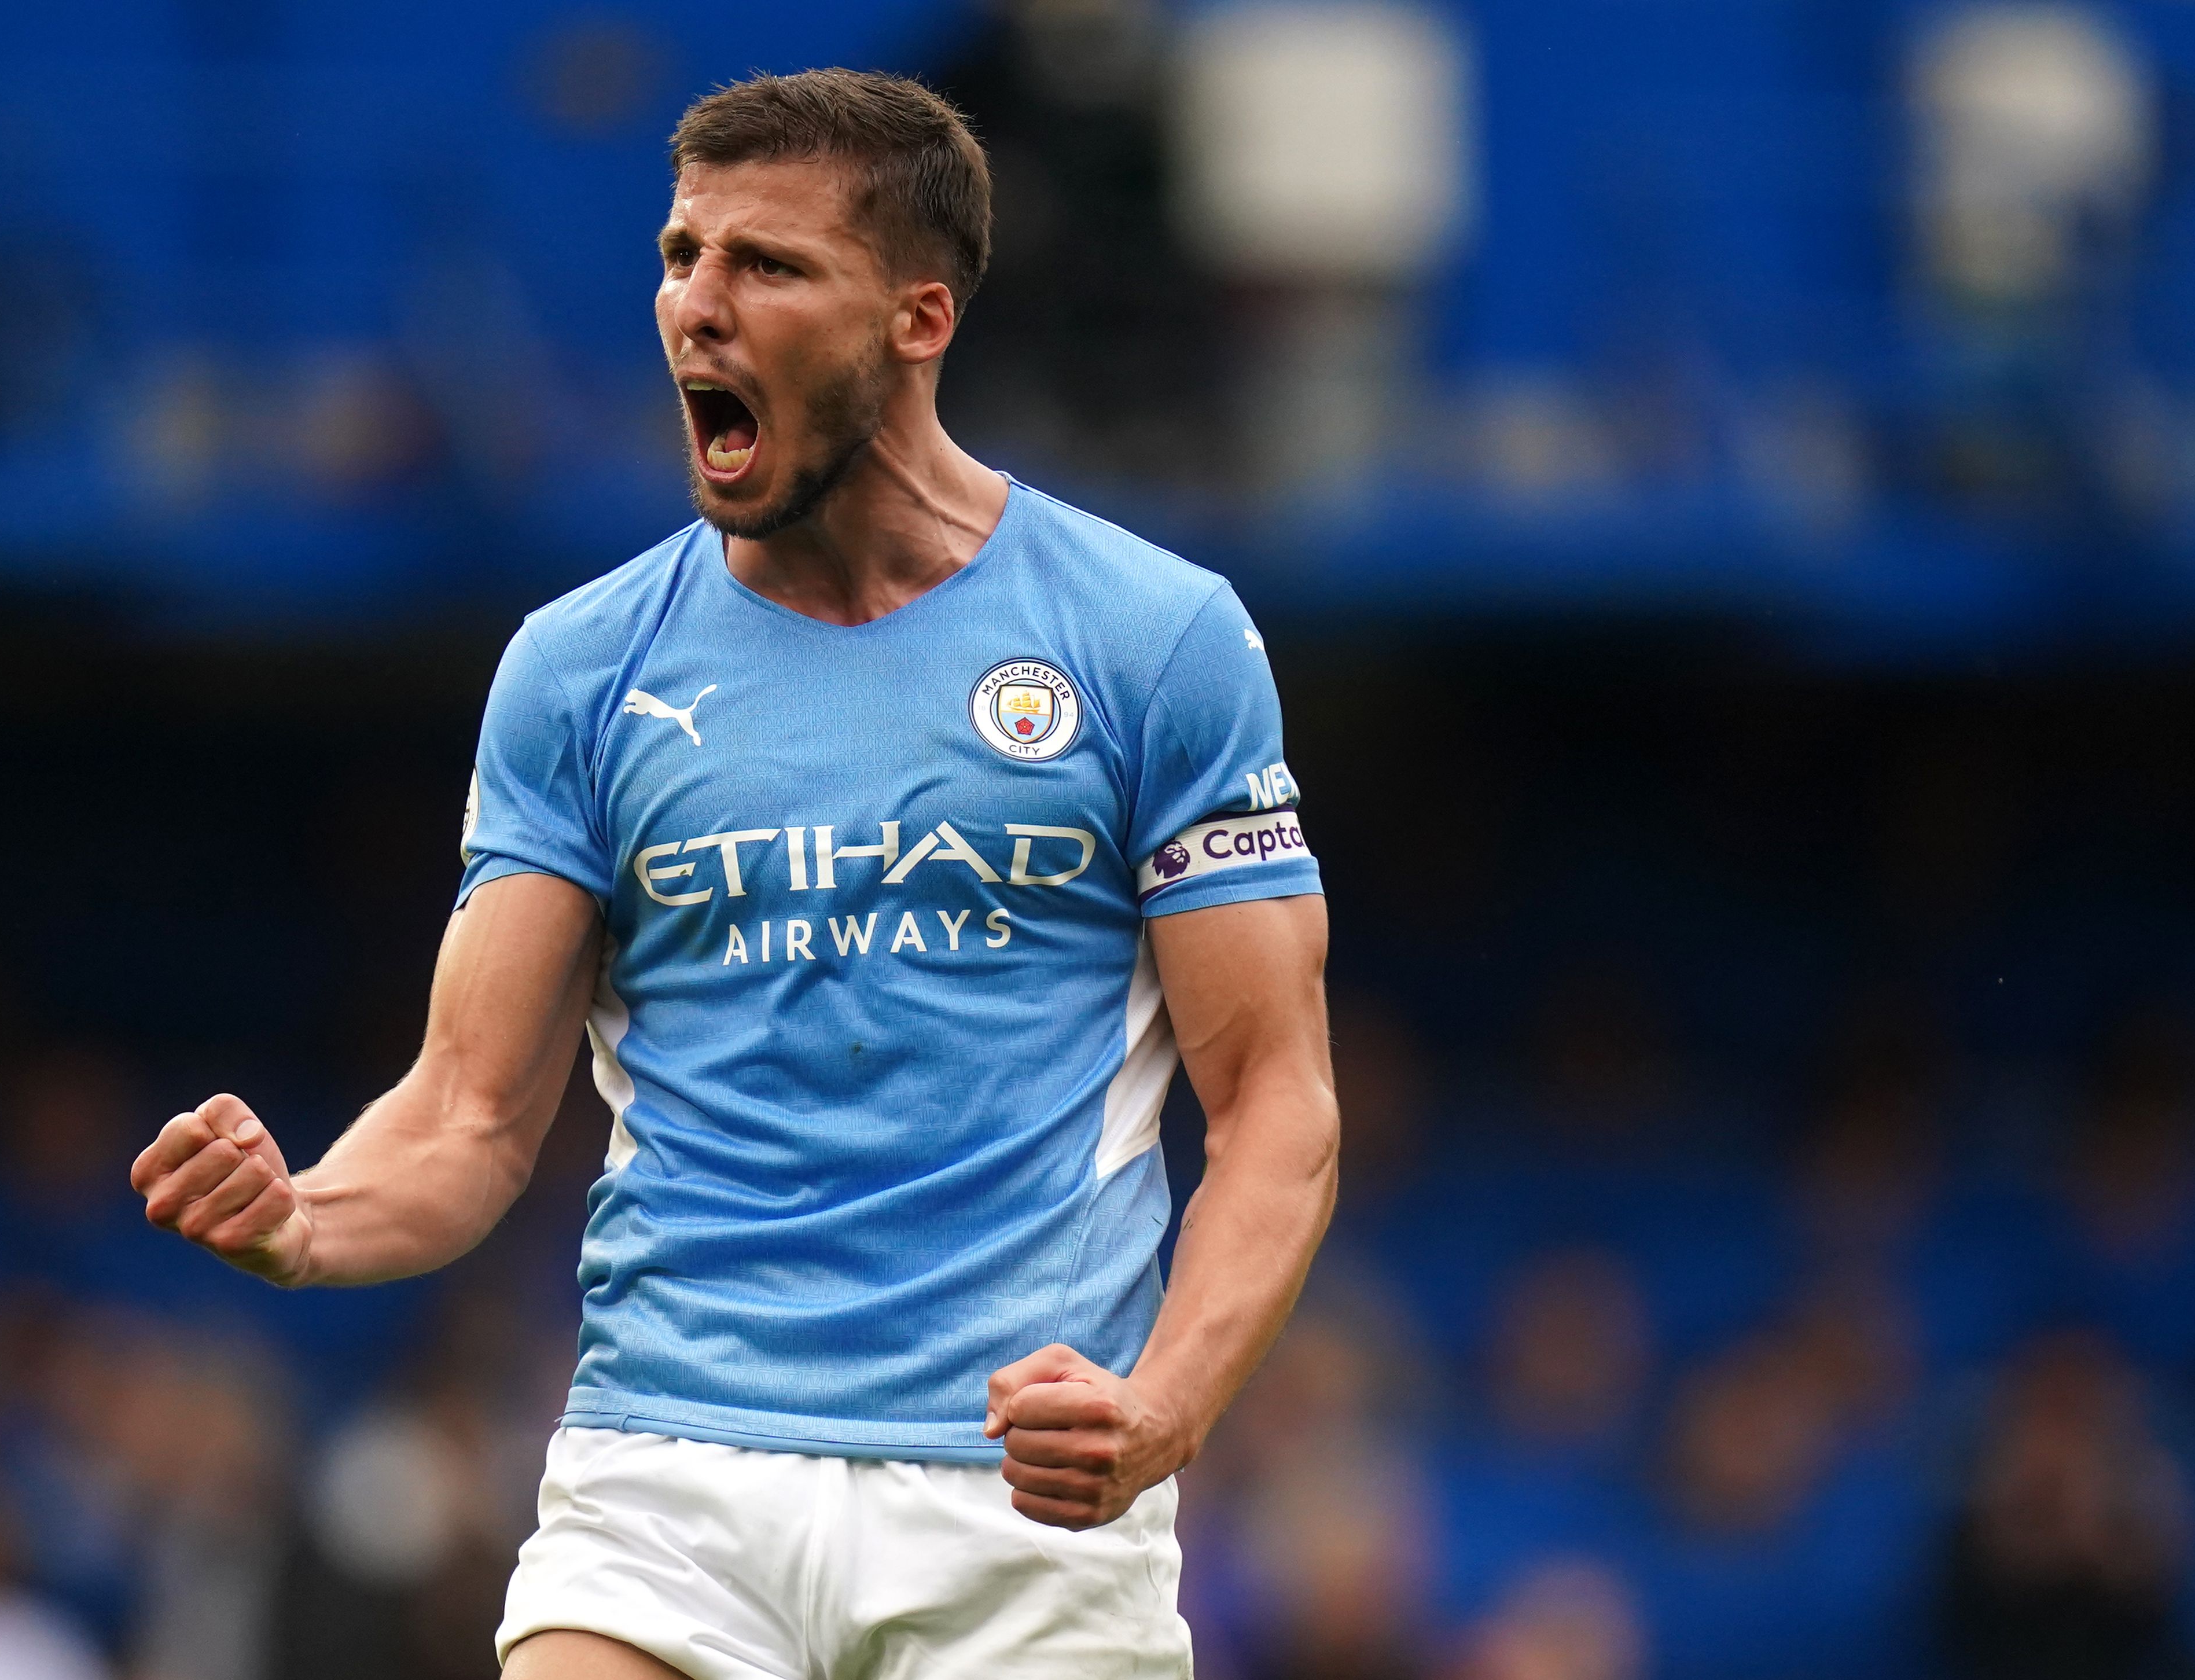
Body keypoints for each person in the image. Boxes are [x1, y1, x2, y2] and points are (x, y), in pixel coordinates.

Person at [132, 69, 1340, 1679]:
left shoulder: (1153, 639)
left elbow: (1277, 1103)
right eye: (680, 254)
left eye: (766, 267)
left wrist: (1164, 1407)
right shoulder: (578, 671)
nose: (698, 308)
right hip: (671, 1477)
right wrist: (302, 1214)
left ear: (919, 317)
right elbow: (467, 1115)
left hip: (1022, 1494)